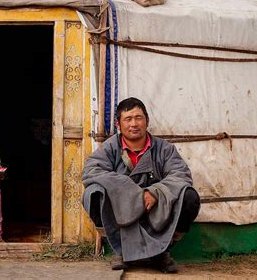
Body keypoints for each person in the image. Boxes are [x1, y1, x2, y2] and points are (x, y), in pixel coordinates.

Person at [82, 97, 200, 273]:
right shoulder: (110, 148)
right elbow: (91, 171)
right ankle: (120, 249)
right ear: (118, 124)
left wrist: (155, 192)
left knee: (190, 197)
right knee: (93, 193)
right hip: (122, 212)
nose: (134, 124)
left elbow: (180, 175)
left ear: (147, 121)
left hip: (156, 210)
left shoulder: (165, 149)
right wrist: (131, 193)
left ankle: (163, 251)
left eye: (139, 118)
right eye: (128, 119)